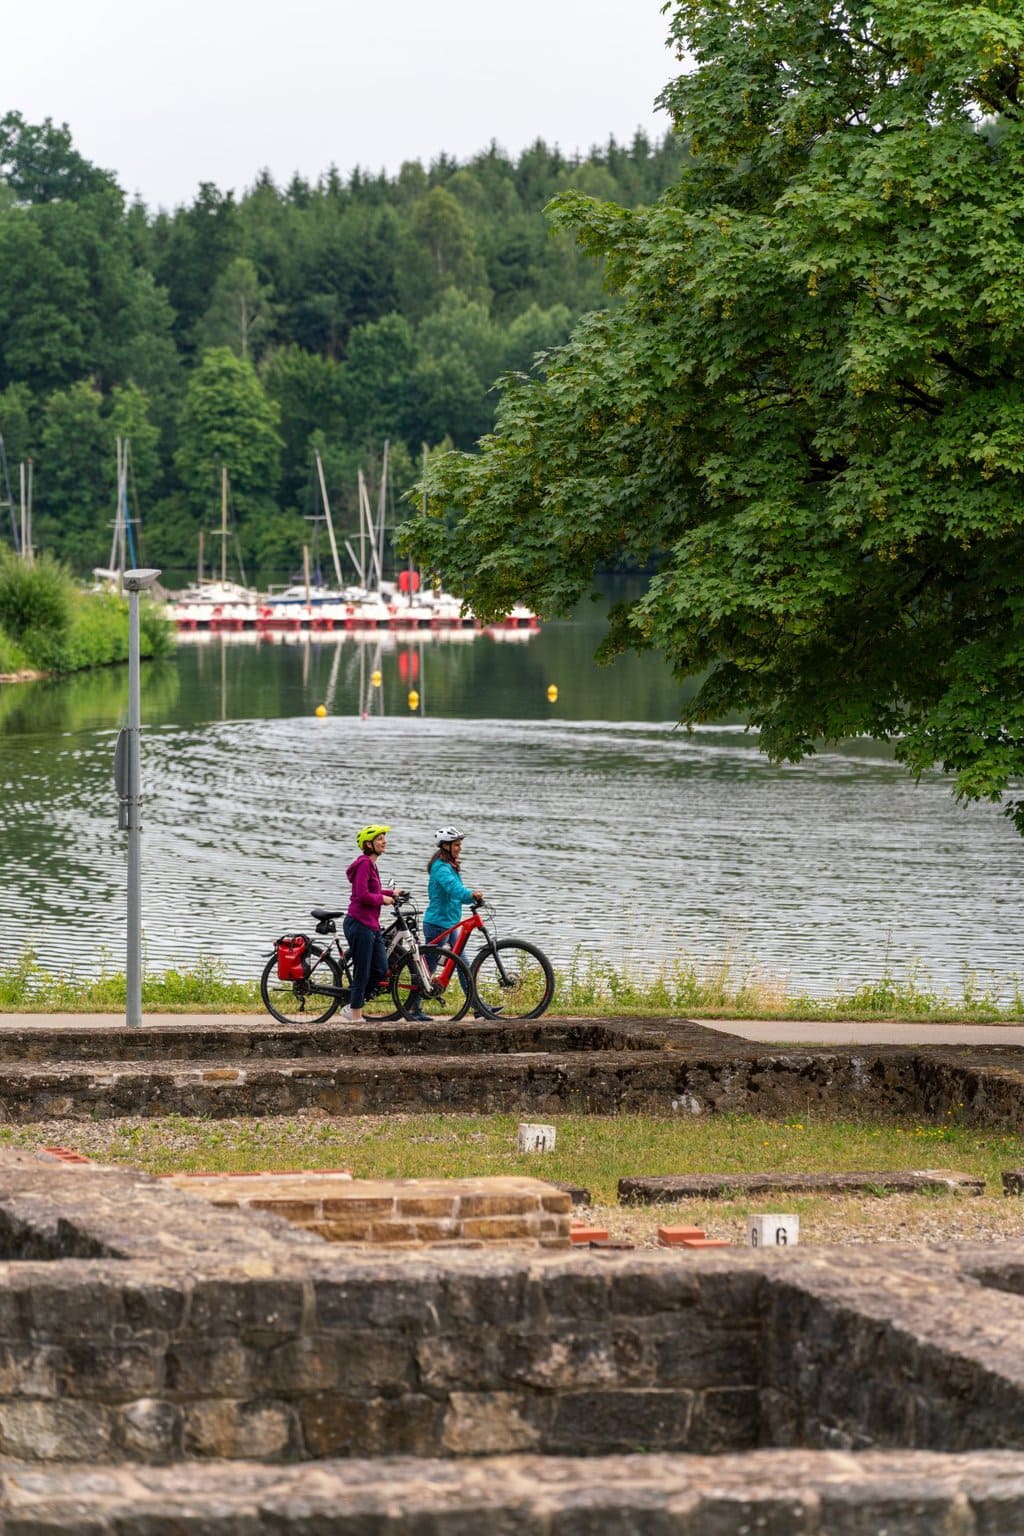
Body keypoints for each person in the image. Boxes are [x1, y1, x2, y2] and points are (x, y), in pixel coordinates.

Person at [339, 823, 395, 1023]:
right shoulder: (363, 863)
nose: (384, 842)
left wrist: (392, 893)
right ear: (368, 844)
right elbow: (362, 895)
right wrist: (383, 899)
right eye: (380, 839)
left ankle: (353, 1005)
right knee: (362, 970)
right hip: (359, 923)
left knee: (381, 969)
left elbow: (373, 890)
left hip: (370, 925)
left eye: (384, 838)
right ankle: (355, 1015)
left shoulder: (371, 864)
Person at [424, 826, 483, 953]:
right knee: (429, 967)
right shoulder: (441, 868)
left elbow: (458, 896)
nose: (460, 848)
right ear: (446, 846)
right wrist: (471, 894)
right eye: (456, 845)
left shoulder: (450, 866)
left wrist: (470, 897)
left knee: (462, 964)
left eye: (459, 845)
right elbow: (454, 889)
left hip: (450, 924)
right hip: (437, 925)